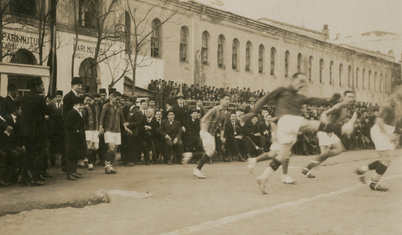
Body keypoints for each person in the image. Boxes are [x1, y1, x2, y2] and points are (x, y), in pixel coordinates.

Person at [244, 72, 354, 194]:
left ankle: (263, 177)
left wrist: (329, 100)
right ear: (293, 79)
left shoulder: (300, 97)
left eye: (304, 82)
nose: (302, 84)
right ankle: (341, 129)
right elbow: (265, 98)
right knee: (310, 124)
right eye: (300, 81)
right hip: (286, 120)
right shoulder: (282, 90)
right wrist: (252, 112)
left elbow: (312, 100)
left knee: (282, 156)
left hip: (289, 128)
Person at [355, 80, 402, 191]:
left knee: (387, 160)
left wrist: (396, 132)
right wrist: (388, 135)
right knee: (385, 160)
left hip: (389, 131)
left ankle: (362, 169)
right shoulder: (388, 102)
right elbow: (379, 120)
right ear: (396, 89)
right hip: (380, 131)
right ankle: (374, 183)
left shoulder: (399, 102)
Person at [301, 91, 357, 178]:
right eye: (349, 97)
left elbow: (338, 119)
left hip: (328, 131)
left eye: (353, 97)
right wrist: (327, 126)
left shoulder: (346, 108)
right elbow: (324, 114)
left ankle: (307, 168)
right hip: (325, 130)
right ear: (344, 97)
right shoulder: (338, 106)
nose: (351, 99)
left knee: (325, 155)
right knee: (338, 149)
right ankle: (314, 161)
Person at [247, 117, 296, 184]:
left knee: (272, 154)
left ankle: (254, 160)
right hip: (281, 136)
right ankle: (284, 176)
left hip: (282, 135)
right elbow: (273, 121)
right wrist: (276, 134)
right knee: (286, 155)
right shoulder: (286, 111)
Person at [21, 77, 51, 186]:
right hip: (38, 131)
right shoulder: (39, 99)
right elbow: (46, 111)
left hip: (27, 131)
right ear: (36, 86)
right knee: (39, 154)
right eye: (41, 85)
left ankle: (23, 177)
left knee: (28, 154)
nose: (42, 87)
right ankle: (35, 177)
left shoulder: (24, 98)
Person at [192, 93, 229, 179]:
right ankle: (197, 170)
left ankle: (190, 155)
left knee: (211, 152)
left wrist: (221, 137)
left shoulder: (225, 113)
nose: (228, 101)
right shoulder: (214, 110)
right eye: (226, 99)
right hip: (206, 131)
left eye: (228, 99)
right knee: (209, 151)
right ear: (221, 100)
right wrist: (203, 131)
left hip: (212, 134)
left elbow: (222, 126)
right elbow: (203, 119)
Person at [99, 92, 131, 174]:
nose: (118, 101)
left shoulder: (119, 107)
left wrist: (125, 127)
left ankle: (110, 166)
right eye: (116, 99)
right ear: (112, 97)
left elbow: (122, 119)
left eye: (119, 99)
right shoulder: (106, 106)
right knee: (111, 149)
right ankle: (106, 162)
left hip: (117, 131)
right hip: (108, 130)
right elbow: (101, 119)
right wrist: (100, 128)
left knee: (115, 150)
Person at [62, 77, 82, 171]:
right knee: (71, 149)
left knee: (76, 149)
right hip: (71, 126)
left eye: (81, 85)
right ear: (73, 85)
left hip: (77, 125)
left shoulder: (77, 96)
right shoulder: (68, 97)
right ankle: (68, 169)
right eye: (78, 85)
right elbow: (66, 114)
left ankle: (73, 169)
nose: (80, 87)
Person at [64, 96, 86, 180]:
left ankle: (74, 171)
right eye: (80, 105)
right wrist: (76, 131)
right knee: (71, 156)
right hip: (72, 138)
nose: (81, 106)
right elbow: (68, 125)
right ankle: (69, 173)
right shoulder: (72, 113)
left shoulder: (79, 112)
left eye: (82, 105)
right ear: (75, 105)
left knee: (76, 155)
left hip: (77, 138)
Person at [82, 94, 100, 171]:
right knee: (89, 146)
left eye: (97, 101)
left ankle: (89, 159)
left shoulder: (97, 107)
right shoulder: (85, 108)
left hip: (96, 129)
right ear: (91, 100)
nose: (96, 102)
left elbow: (98, 117)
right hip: (88, 129)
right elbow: (84, 119)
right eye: (95, 100)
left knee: (96, 147)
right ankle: (90, 163)